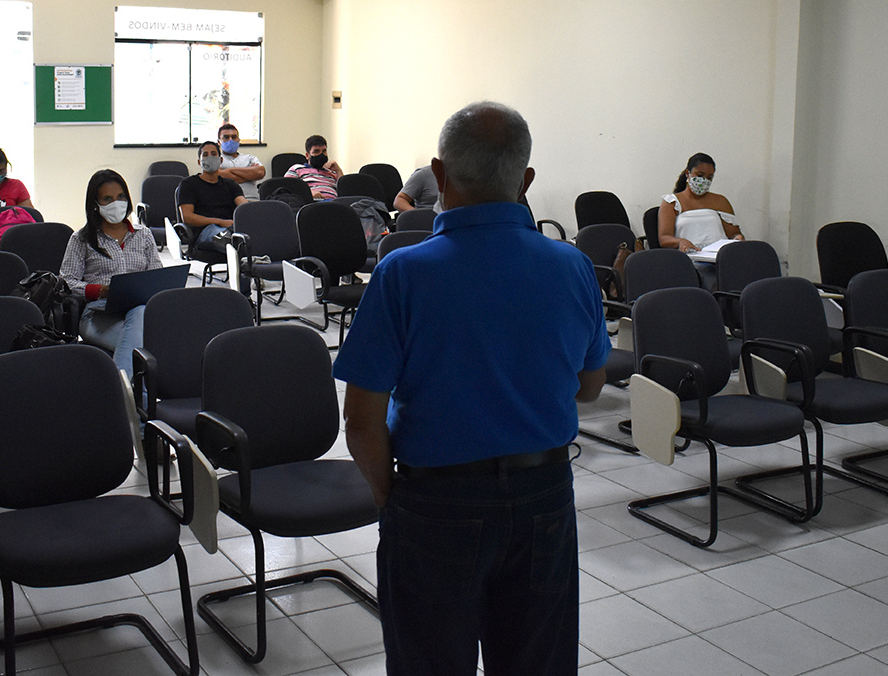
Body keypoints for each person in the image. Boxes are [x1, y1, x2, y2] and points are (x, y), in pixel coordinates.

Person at [335, 101, 609, 676]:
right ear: (526, 179)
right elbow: (589, 387)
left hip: (435, 502)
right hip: (545, 496)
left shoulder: (404, 273)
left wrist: (393, 497)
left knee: (429, 662)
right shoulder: (572, 266)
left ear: (438, 175)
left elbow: (360, 419)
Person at [59, 169, 162, 377]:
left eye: (121, 197)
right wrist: (99, 291)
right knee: (151, 349)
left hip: (140, 313)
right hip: (99, 315)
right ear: (95, 206)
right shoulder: (81, 239)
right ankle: (130, 398)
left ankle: (125, 398)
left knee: (140, 316)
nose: (116, 203)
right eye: (107, 199)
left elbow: (157, 275)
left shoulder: (144, 235)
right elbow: (65, 283)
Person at [657, 153, 745, 289]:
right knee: (707, 277)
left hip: (720, 258)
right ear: (688, 173)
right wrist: (680, 241)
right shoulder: (672, 202)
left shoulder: (720, 201)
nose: (704, 180)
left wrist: (737, 238)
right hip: (692, 259)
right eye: (699, 175)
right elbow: (664, 238)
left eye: (709, 177)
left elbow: (733, 233)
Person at [178, 141, 247, 252]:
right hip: (204, 231)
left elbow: (243, 206)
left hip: (231, 227)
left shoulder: (230, 184)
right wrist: (219, 221)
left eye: (214, 154)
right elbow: (187, 217)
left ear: (221, 160)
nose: (210, 157)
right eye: (205, 154)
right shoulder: (188, 184)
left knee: (247, 235)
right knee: (226, 238)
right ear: (199, 162)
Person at [283, 135, 343, 200]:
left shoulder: (332, 172)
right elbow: (286, 188)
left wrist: (338, 170)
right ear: (307, 155)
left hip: (335, 204)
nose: (321, 154)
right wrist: (308, 193)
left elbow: (344, 192)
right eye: (316, 151)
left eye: (324, 151)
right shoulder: (297, 169)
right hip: (311, 204)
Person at [216, 123, 265, 200]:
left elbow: (260, 173)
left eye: (234, 137)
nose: (230, 140)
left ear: (238, 140)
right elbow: (217, 176)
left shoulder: (250, 158)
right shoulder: (216, 159)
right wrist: (249, 175)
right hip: (226, 202)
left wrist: (228, 171)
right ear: (219, 142)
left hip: (251, 200)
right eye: (226, 137)